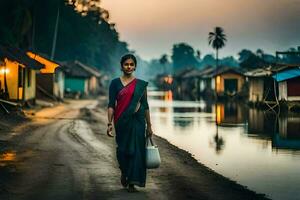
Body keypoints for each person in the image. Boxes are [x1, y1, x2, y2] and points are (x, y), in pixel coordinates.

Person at [107, 54, 153, 192]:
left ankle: (132, 181)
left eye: (131, 64)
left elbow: (145, 106)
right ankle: (124, 171)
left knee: (136, 150)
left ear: (135, 66)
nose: (129, 67)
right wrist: (109, 123)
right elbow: (111, 105)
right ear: (121, 66)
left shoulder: (141, 85)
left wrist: (149, 126)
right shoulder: (115, 83)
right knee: (122, 150)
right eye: (126, 64)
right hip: (121, 120)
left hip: (138, 120)